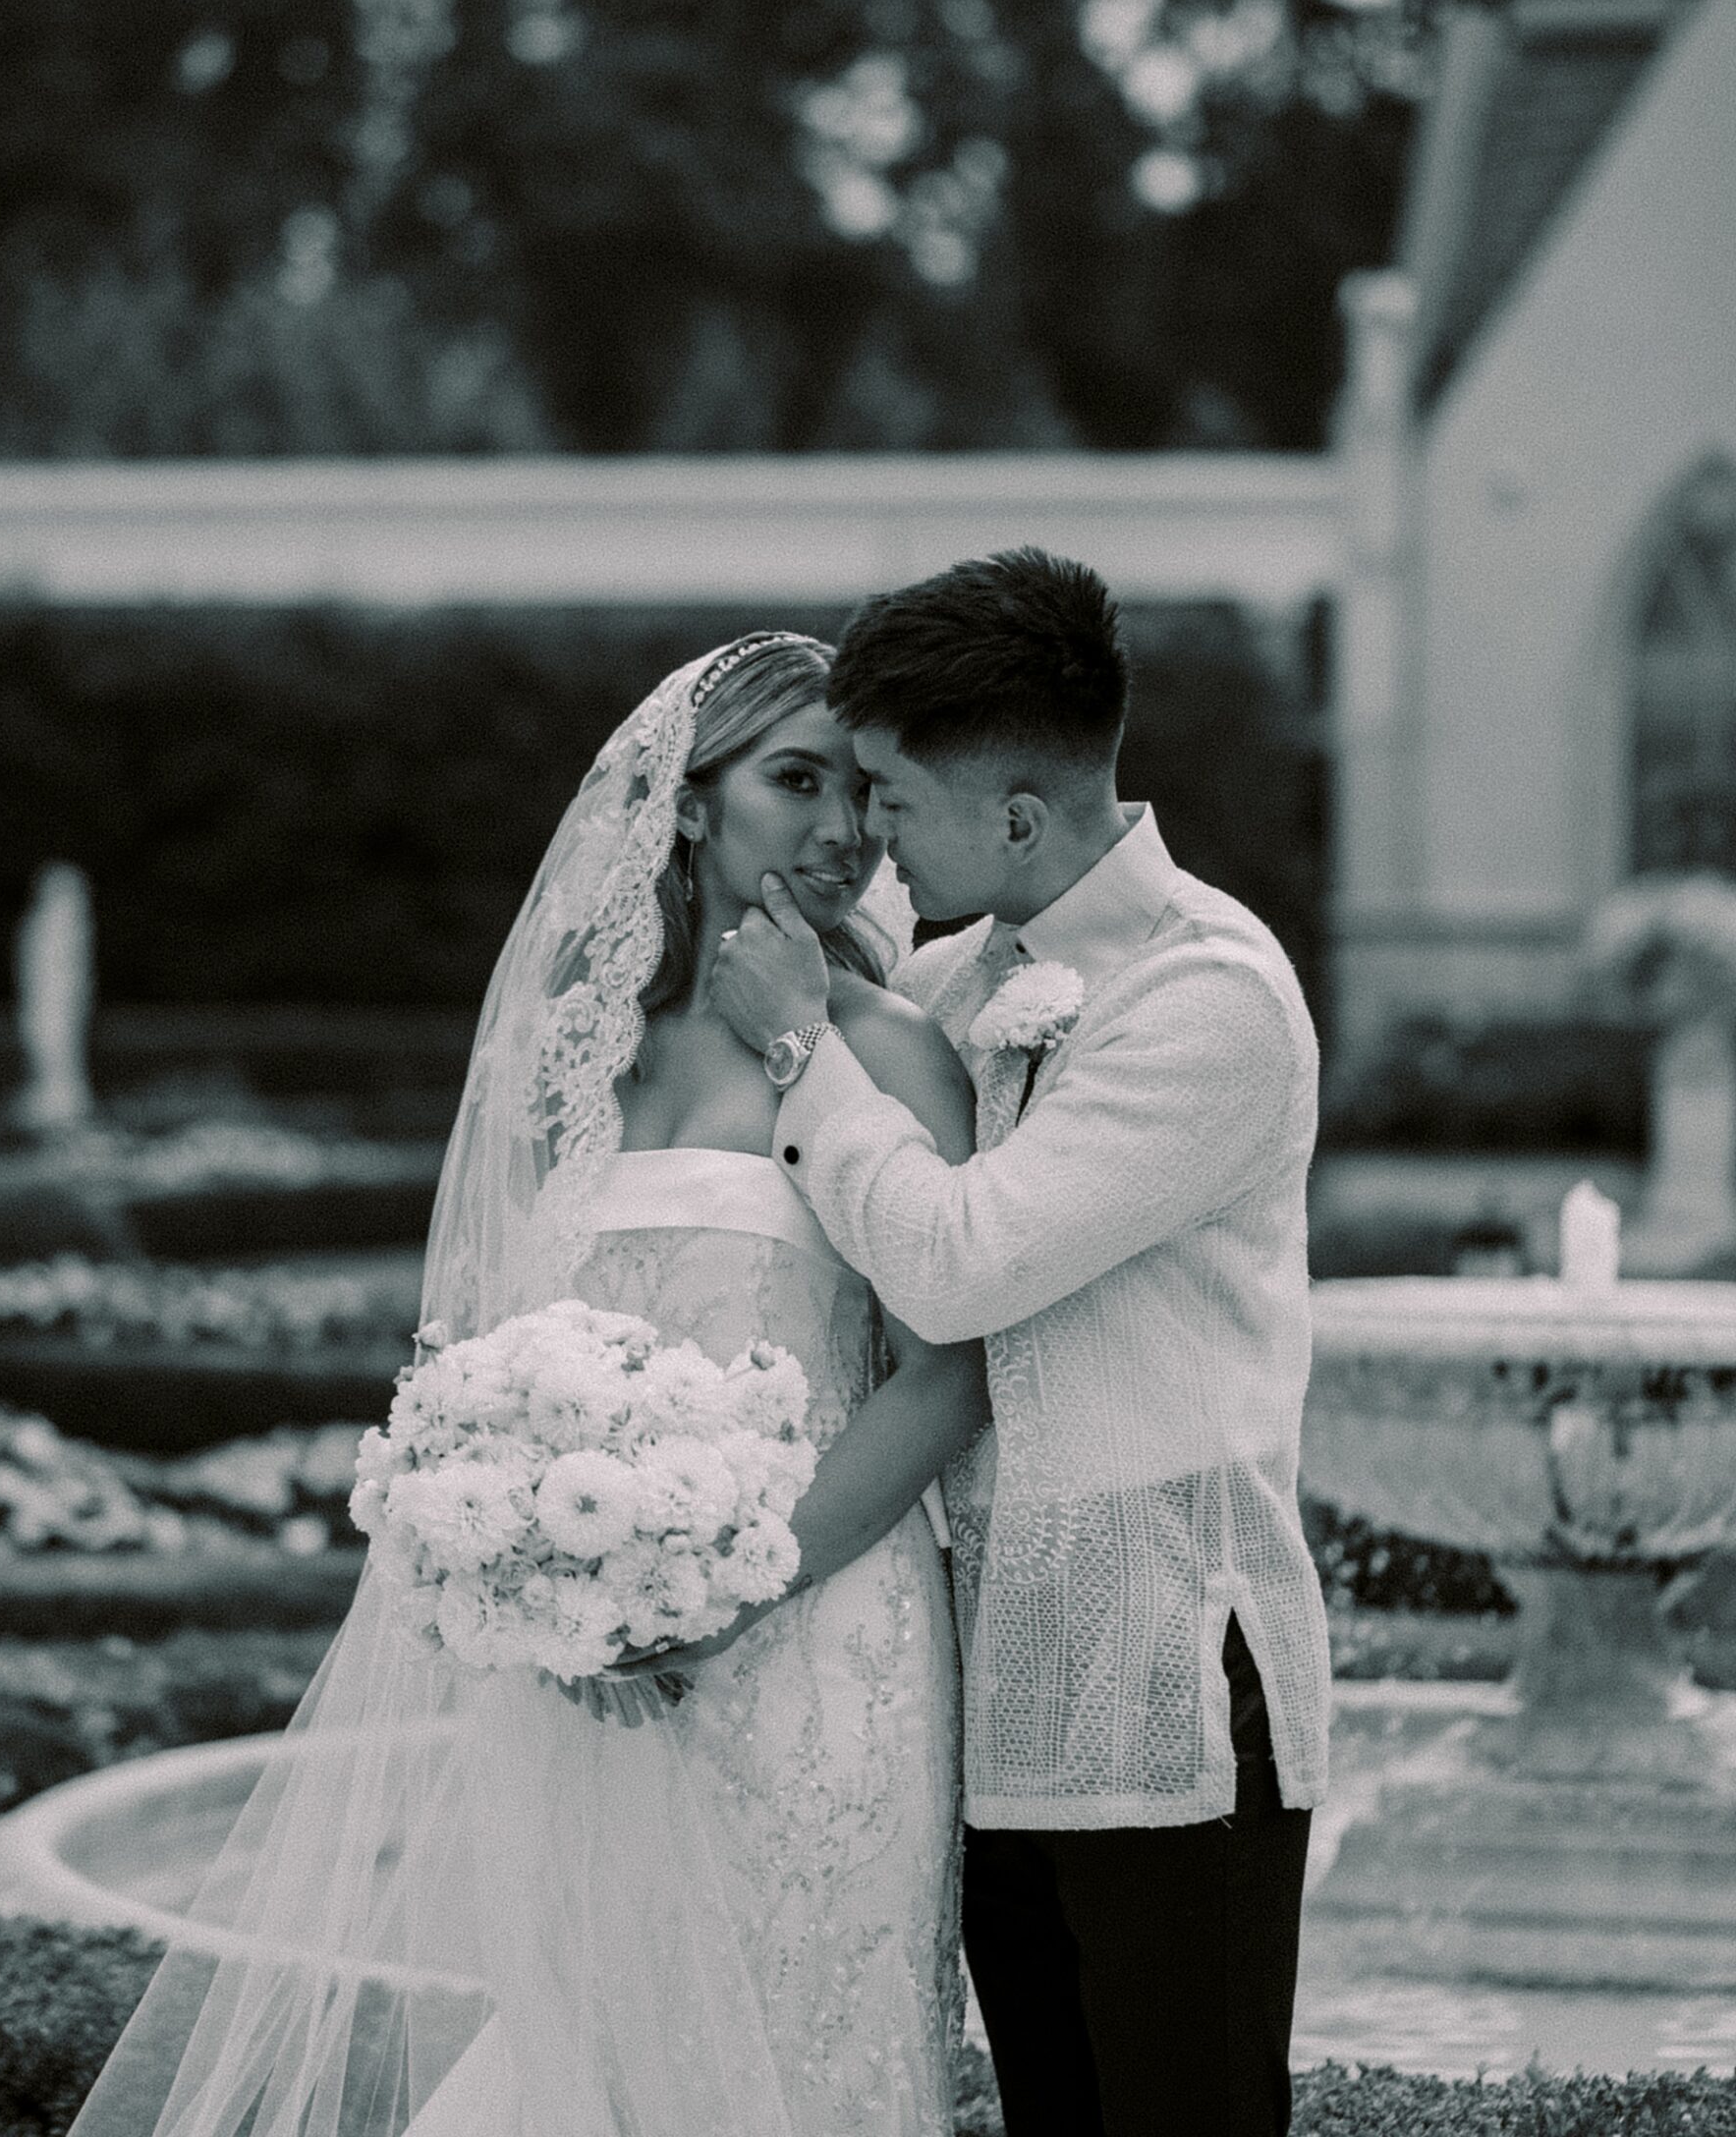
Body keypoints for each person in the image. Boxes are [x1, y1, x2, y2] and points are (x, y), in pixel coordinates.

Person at [67, 633, 988, 2137]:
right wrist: (536, 1579)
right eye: (794, 779)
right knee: (597, 2044)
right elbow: (482, 1358)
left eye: (864, 794)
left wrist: (729, 1600)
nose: (842, 833)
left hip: (825, 1649)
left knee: (807, 2051)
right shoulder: (578, 1057)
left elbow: (949, 1377)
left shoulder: (893, 1052)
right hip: (590, 1671)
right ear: (689, 806)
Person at [699, 549, 1332, 2137]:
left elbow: (964, 1262)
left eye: (896, 803)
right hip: (991, 1698)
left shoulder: (1211, 998)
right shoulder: (944, 980)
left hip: (1171, 1685)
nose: (870, 842)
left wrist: (795, 1042)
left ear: (1024, 818)